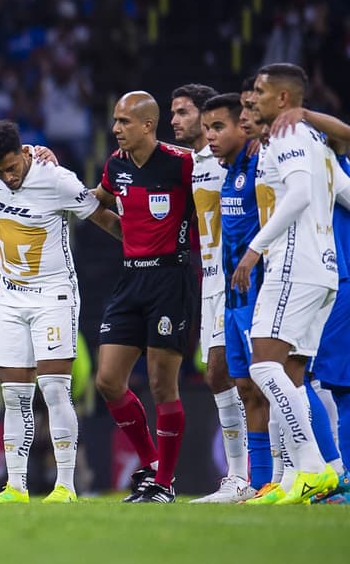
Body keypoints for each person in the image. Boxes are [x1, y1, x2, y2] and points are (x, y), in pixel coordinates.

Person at [0, 121, 122, 504]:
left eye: (13, 167)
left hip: (53, 296)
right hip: (10, 297)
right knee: (14, 395)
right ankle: (16, 487)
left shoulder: (57, 179)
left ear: (23, 154)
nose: (8, 177)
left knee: (55, 388)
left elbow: (103, 216)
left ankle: (66, 487)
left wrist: (146, 247)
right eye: (0, 171)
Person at [93, 91, 198, 503]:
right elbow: (99, 204)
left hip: (171, 279)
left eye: (124, 121)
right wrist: (124, 234)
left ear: (148, 125)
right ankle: (152, 464)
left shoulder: (182, 163)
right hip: (131, 278)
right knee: (108, 380)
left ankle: (164, 484)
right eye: (115, 120)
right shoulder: (115, 166)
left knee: (161, 383)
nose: (116, 128)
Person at [257, 96, 350, 502]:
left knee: (276, 369)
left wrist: (304, 115)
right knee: (301, 377)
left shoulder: (306, 147)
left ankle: (326, 469)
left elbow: (343, 137)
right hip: (329, 274)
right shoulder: (323, 157)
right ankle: (306, 473)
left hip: (313, 272)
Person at [169, 83, 252, 503]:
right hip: (210, 281)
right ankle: (240, 477)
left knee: (246, 372)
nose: (174, 121)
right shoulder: (193, 161)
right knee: (219, 374)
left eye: (182, 113)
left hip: (240, 278)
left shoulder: (235, 160)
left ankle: (266, 472)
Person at [201, 91, 270, 500]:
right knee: (244, 387)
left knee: (270, 384)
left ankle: (298, 471)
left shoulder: (261, 162)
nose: (210, 136)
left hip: (259, 291)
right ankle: (257, 482)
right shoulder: (228, 170)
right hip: (233, 296)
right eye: (206, 128)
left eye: (218, 127)